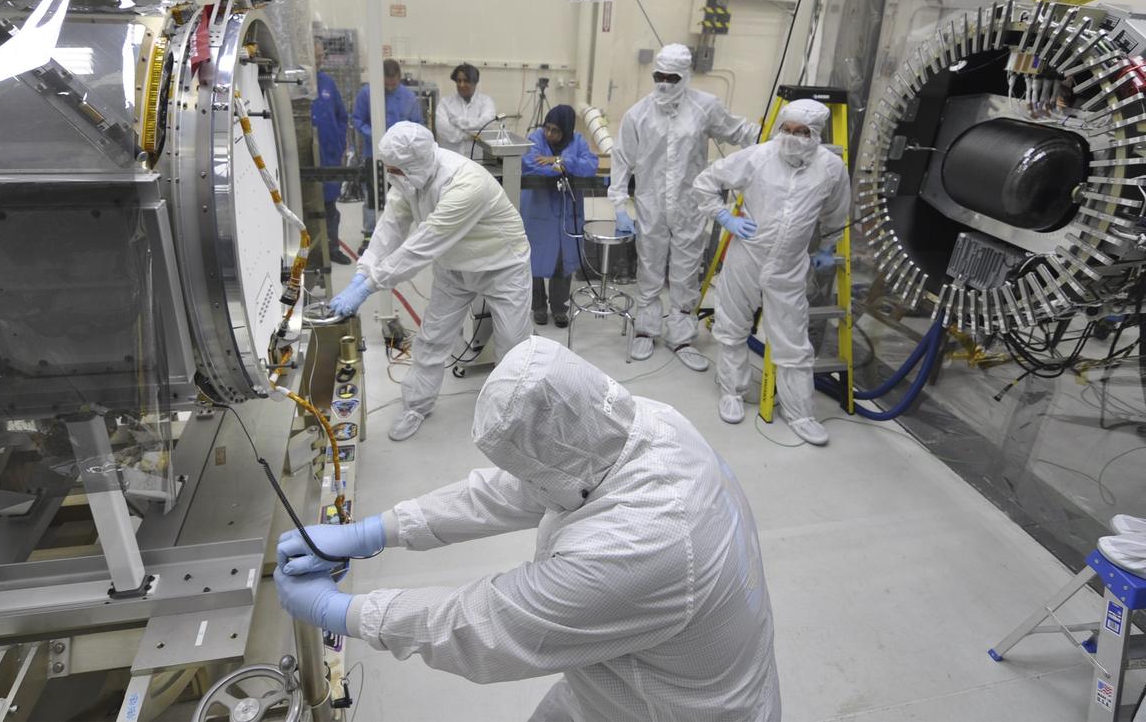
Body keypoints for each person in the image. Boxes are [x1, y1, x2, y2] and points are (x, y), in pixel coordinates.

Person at [274, 336, 781, 722]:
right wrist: (377, 531)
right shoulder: (635, 424)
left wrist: (342, 611)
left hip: (678, 709)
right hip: (638, 675)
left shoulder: (642, 544)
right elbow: (514, 489)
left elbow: (484, 623)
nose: (527, 479)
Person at [326, 122, 531, 442]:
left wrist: (369, 287)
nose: (391, 175)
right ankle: (416, 405)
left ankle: (511, 416)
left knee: (512, 346)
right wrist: (363, 271)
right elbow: (389, 227)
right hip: (454, 268)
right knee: (432, 338)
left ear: (413, 164)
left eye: (395, 169)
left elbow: (421, 246)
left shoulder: (465, 184)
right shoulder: (410, 176)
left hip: (502, 265)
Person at [692, 99, 850, 447]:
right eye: (787, 130)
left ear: (816, 135)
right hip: (747, 256)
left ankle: (801, 413)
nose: (791, 137)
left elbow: (837, 213)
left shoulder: (831, 169)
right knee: (732, 326)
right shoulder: (759, 157)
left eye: (801, 132)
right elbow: (705, 182)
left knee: (793, 341)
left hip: (790, 266)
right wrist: (725, 218)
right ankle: (732, 391)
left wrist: (827, 248)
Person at [610, 43, 759, 371]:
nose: (663, 83)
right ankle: (647, 329)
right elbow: (621, 159)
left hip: (692, 204)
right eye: (658, 76)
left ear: (685, 76)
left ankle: (681, 336)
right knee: (649, 266)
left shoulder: (705, 107)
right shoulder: (639, 114)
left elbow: (738, 131)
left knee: (686, 270)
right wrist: (620, 204)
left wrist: (775, 140)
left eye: (671, 77)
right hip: (651, 204)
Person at [521, 105, 598, 327]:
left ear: (567, 130)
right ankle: (538, 307)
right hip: (539, 211)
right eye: (547, 128)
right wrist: (562, 168)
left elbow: (590, 166)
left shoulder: (578, 141)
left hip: (566, 213)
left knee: (562, 261)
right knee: (533, 260)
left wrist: (560, 162)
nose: (549, 134)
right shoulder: (535, 138)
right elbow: (530, 164)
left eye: (556, 131)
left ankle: (559, 307)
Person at [352, 58, 425, 253]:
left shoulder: (409, 97)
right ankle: (369, 234)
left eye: (394, 84)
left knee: (401, 195)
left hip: (401, 160)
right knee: (372, 195)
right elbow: (358, 120)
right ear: (380, 79)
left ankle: (396, 237)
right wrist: (376, 137)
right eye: (386, 84)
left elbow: (417, 125)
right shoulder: (367, 94)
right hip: (374, 153)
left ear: (400, 78)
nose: (390, 87)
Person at [311, 39, 352, 265]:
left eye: (321, 56)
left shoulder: (327, 83)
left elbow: (341, 117)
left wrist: (339, 142)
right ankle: (313, 253)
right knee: (308, 205)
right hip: (307, 157)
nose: (320, 61)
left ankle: (332, 248)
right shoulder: (296, 83)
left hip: (329, 156)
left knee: (330, 207)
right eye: (316, 57)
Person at [435, 62, 497, 158]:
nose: (461, 84)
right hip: (451, 159)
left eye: (466, 81)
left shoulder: (486, 102)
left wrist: (457, 121)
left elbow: (487, 124)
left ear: (475, 83)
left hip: (477, 159)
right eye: (458, 81)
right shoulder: (445, 103)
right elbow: (443, 129)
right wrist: (468, 136)